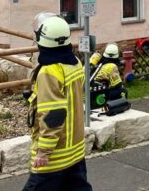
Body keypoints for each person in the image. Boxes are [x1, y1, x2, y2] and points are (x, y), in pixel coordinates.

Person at [23, 13, 91, 191]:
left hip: (55, 156)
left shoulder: (49, 72)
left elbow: (53, 114)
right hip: (75, 152)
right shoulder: (74, 62)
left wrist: (43, 152)